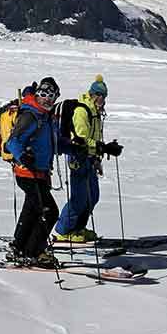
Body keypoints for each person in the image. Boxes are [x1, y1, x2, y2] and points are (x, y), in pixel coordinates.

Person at [53, 75, 124, 244]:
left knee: (93, 195)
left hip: (90, 158)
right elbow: (81, 139)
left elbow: (95, 136)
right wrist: (103, 147)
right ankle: (64, 231)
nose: (103, 100)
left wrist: (98, 157)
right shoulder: (81, 111)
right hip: (78, 156)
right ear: (93, 94)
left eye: (104, 96)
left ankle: (78, 228)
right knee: (80, 197)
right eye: (101, 96)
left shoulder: (95, 113)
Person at [4, 75, 66, 267]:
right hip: (27, 173)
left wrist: (78, 147)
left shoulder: (46, 118)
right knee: (49, 212)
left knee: (32, 210)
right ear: (38, 94)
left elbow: (54, 145)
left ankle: (19, 246)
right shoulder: (30, 115)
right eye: (44, 94)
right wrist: (24, 156)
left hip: (40, 174)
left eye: (52, 96)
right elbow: (12, 142)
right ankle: (33, 252)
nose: (48, 99)